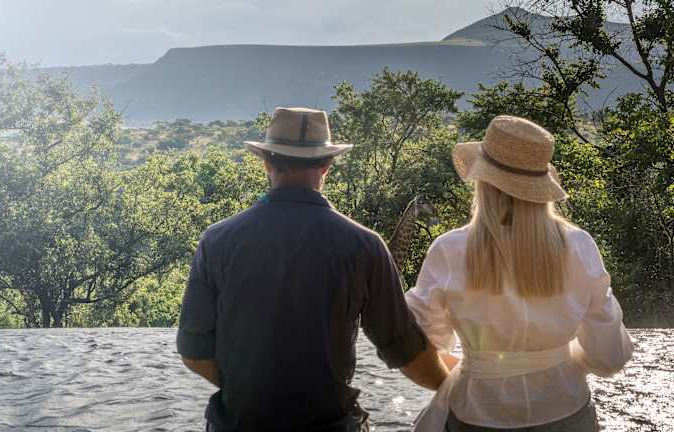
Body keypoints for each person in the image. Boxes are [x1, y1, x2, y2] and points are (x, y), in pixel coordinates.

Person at [176, 107, 449, 432]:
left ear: (267, 163)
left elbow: (193, 351)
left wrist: (250, 387)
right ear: (326, 165)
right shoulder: (365, 245)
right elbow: (408, 354)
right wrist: (462, 390)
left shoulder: (217, 240)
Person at [405, 115, 634, 432]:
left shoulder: (449, 250)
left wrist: (476, 370)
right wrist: (559, 359)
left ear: (483, 182)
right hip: (567, 414)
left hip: (477, 415)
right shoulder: (579, 246)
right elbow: (609, 357)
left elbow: (417, 344)